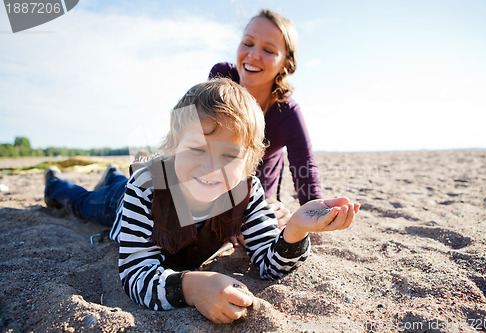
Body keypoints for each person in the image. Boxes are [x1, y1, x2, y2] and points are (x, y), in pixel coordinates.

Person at [44, 78, 360, 324]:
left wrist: (294, 230)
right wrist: (193, 288)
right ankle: (57, 183)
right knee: (86, 202)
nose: (211, 168)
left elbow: (267, 263)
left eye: (229, 155)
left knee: (107, 188)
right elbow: (135, 273)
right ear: (172, 146)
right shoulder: (146, 187)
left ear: (251, 161)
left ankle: (111, 175)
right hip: (121, 206)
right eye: (196, 150)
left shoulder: (247, 190)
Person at [209, 9, 321, 227]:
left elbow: (305, 169)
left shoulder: (287, 113)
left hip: (259, 199)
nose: (253, 55)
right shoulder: (221, 77)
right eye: (248, 43)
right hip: (215, 190)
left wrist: (319, 213)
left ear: (286, 64)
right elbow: (203, 146)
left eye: (268, 50)